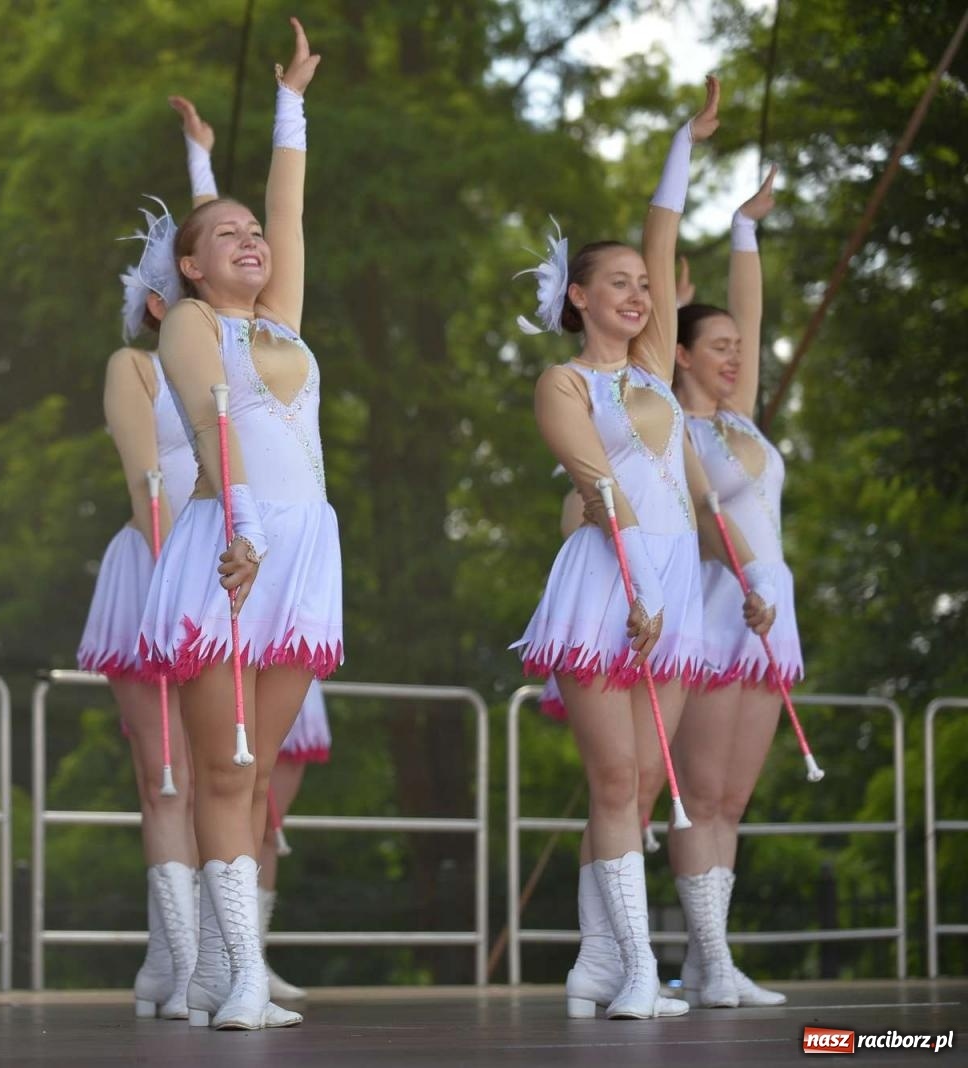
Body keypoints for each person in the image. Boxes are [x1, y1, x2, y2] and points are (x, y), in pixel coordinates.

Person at [510, 77, 724, 1021]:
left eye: (647, 285)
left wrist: (684, 141)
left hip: (674, 579)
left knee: (644, 782)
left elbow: (667, 230)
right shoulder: (564, 382)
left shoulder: (654, 369)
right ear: (580, 297)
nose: (640, 294)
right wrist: (635, 584)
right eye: (622, 284)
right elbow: (600, 492)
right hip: (610, 578)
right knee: (614, 777)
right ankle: (634, 967)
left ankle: (602, 960)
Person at [138, 18, 333, 1031]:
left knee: (256, 772)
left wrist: (291, 98)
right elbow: (214, 437)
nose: (252, 239)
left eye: (252, 231)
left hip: (305, 553)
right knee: (223, 763)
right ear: (190, 264)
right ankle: (237, 973)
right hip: (233, 550)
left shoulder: (281, 319)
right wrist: (241, 530)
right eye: (227, 234)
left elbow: (291, 212)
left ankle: (225, 966)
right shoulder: (187, 323)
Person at [75, 95, 217, 1021]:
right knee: (164, 770)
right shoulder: (135, 368)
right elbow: (146, 485)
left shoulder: (227, 356)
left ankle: (208, 954)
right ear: (156, 302)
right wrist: (178, 587)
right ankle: (175, 954)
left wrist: (204, 163)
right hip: (159, 568)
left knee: (222, 774)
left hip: (226, 570)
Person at [669, 167, 794, 1009]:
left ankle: (716, 956)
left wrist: (745, 228)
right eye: (716, 347)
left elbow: (749, 312)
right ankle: (707, 958)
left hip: (771, 612)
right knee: (701, 795)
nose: (734, 356)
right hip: (715, 606)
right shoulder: (667, 423)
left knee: (735, 800)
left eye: (737, 352)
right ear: (680, 354)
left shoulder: (738, 416)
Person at [260, 680, 330, 1002]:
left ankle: (250, 959)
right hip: (228, 652)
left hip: (290, 650)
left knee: (268, 831)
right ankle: (202, 958)